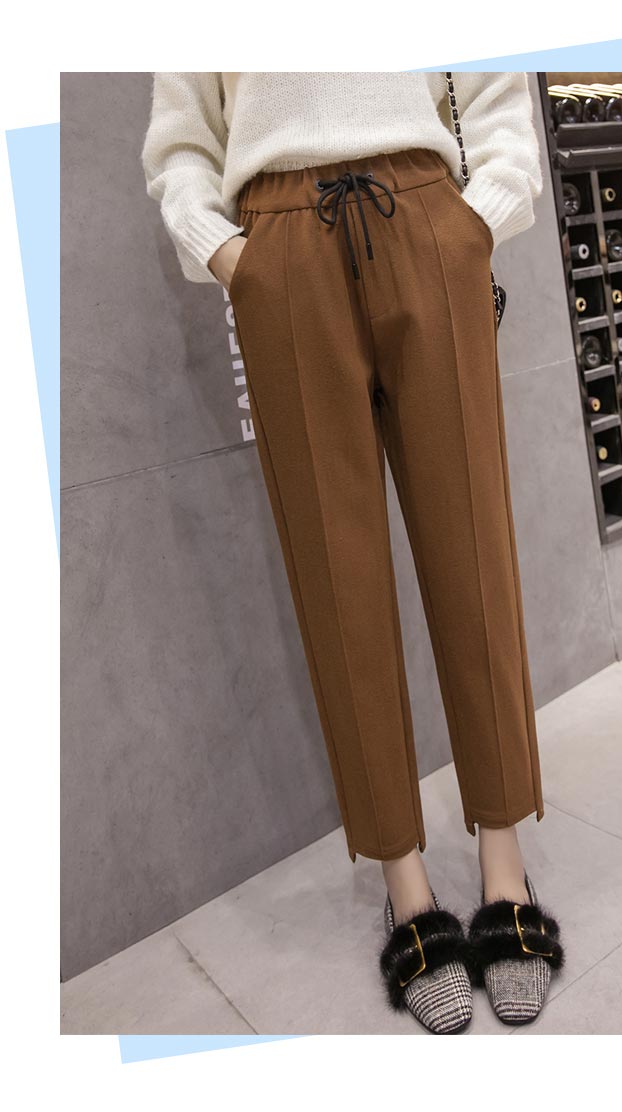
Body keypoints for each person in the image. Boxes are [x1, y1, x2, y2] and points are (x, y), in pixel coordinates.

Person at [141, 71, 565, 1035]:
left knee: (475, 555)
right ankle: (406, 888)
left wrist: (471, 223)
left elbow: (495, 83)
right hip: (280, 245)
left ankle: (505, 871)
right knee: (339, 577)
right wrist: (231, 256)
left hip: (426, 214)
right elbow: (181, 140)